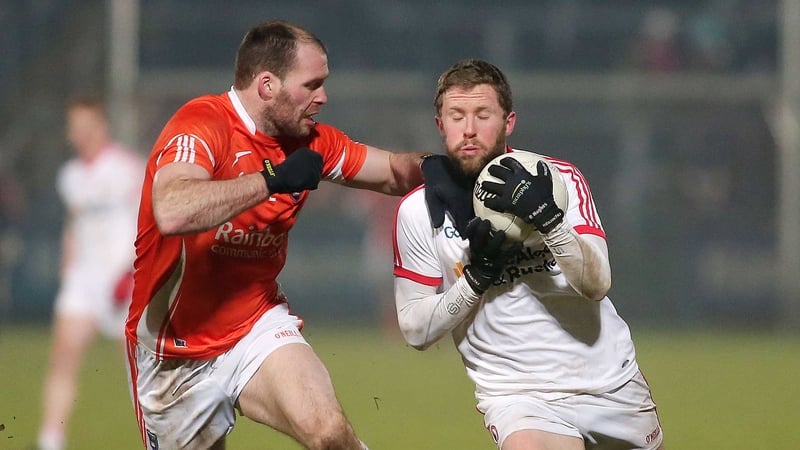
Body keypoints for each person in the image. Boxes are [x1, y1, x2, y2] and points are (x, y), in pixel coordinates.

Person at [125, 20, 432, 450]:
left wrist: (451, 166)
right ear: (267, 85)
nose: (323, 97)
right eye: (312, 85)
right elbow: (173, 211)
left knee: (329, 433)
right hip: (172, 355)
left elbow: (394, 172)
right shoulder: (201, 124)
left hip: (255, 326)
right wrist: (270, 180)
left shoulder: (312, 141)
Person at [395, 59, 665, 449]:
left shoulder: (558, 181)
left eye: (482, 114)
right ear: (440, 125)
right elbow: (416, 329)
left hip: (610, 382)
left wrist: (548, 220)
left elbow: (597, 284)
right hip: (518, 396)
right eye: (456, 116)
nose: (468, 129)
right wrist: (475, 280)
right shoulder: (419, 211)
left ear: (509, 122)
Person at [38, 96, 144, 450]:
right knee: (63, 356)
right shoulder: (70, 175)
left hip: (124, 280)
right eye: (74, 127)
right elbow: (74, 224)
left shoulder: (127, 168)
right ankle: (50, 440)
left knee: (137, 372)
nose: (79, 134)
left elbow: (151, 220)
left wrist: (134, 270)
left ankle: (157, 438)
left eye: (86, 126)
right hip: (84, 280)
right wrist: (68, 270)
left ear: (101, 127)